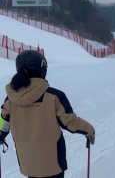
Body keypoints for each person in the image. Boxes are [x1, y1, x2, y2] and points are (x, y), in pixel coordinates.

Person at [0, 50, 95, 178]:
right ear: (42, 70)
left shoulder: (10, 100)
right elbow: (70, 122)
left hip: (28, 163)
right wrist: (89, 130)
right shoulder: (54, 96)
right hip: (53, 163)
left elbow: (2, 124)